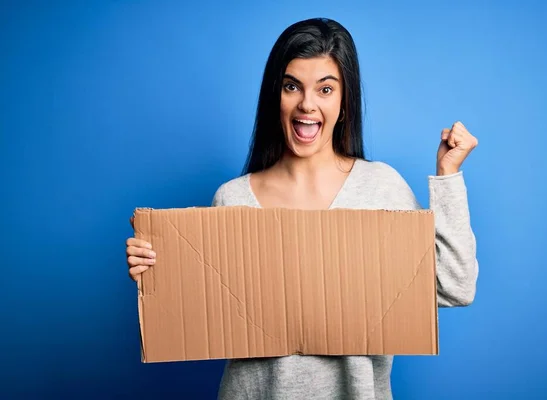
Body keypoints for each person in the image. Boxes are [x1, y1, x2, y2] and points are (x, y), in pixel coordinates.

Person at [126, 17, 479, 400]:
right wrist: (158, 274)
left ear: (344, 102)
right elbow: (208, 314)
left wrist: (447, 176)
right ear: (274, 97)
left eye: (325, 89)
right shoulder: (233, 198)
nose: (306, 104)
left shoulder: (380, 188)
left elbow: (454, 287)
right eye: (291, 86)